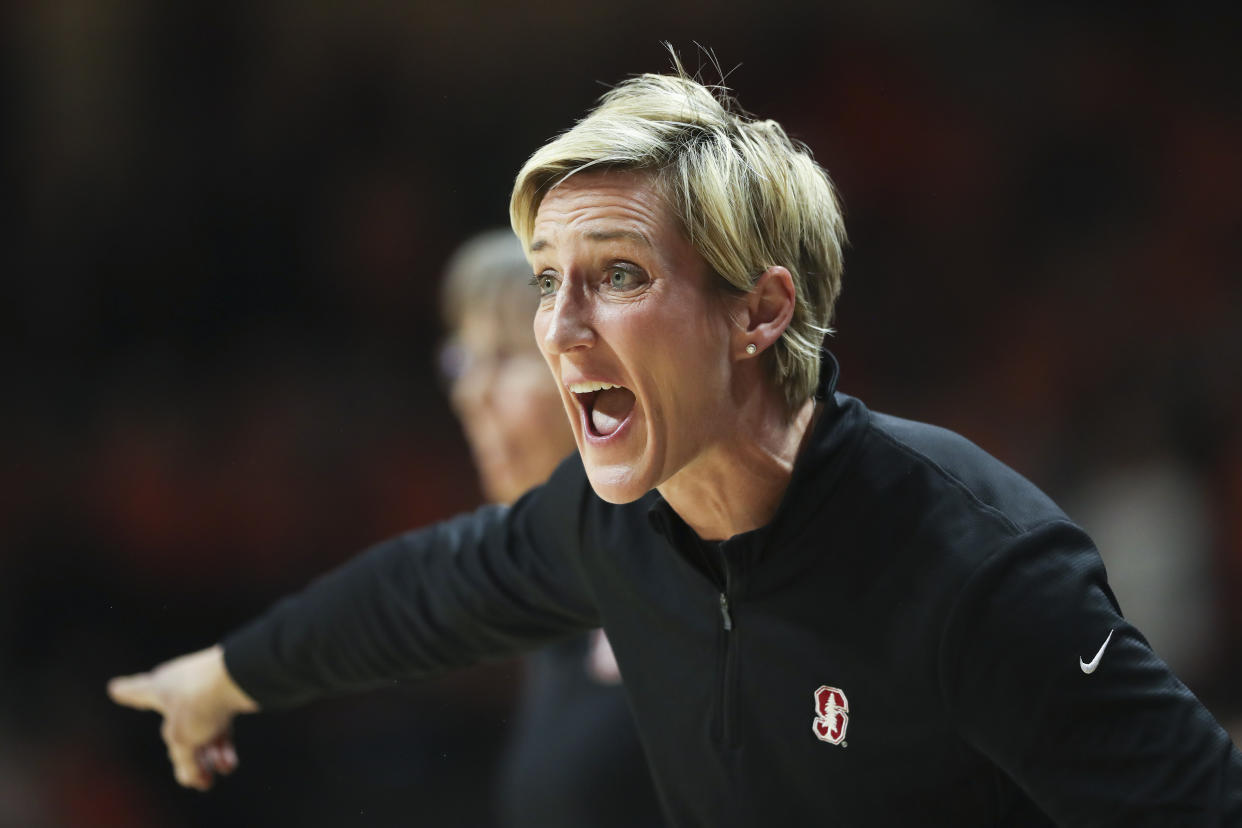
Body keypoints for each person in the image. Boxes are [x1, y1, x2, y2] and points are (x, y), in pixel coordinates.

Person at [109, 61, 1242, 826]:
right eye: (549, 282)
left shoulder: (973, 565)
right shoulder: (611, 524)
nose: (558, 330)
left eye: (617, 277)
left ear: (761, 312)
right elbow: (424, 591)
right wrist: (222, 676)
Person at [437, 229, 663, 827]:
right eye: (462, 360)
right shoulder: (560, 594)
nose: (469, 394)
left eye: (505, 358)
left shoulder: (696, 578)